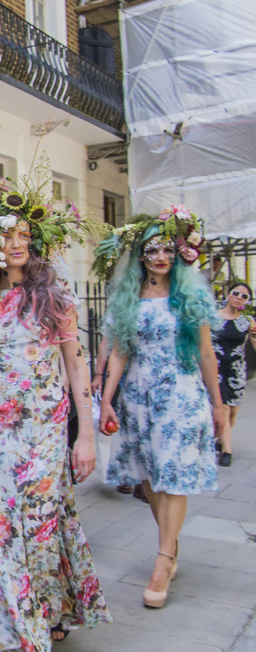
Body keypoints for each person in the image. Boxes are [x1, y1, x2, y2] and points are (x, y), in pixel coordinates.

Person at [0, 175, 111, 652]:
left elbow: (78, 367)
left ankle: (49, 609)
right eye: (6, 234)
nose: (16, 242)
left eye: (23, 234)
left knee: (42, 531)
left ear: (35, 241)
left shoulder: (57, 297)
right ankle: (5, 635)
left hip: (44, 427)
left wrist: (85, 436)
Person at [98, 208, 226, 609]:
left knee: (172, 476)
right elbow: (119, 350)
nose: (160, 257)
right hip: (138, 396)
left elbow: (206, 352)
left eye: (168, 249)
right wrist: (105, 397)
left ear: (179, 252)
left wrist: (219, 405)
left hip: (181, 392)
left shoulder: (190, 295)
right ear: (139, 255)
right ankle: (169, 542)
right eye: (152, 249)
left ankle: (163, 559)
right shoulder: (129, 298)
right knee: (150, 478)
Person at [212, 281, 256, 467]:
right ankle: (227, 451)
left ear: (247, 301)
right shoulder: (213, 317)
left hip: (237, 371)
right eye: (236, 293)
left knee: (233, 412)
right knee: (223, 407)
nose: (239, 297)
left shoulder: (248, 322)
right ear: (228, 294)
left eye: (244, 296)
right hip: (217, 369)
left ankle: (222, 441)